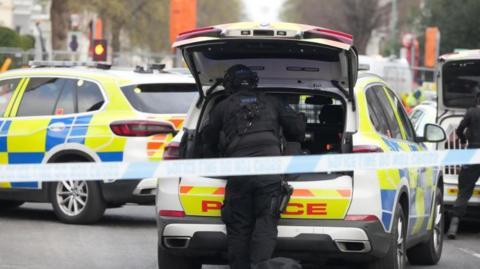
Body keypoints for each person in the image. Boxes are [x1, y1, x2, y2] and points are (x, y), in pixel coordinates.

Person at [201, 64, 305, 268]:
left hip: (239, 174)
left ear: (229, 84)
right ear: (254, 81)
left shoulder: (223, 106)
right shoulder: (272, 102)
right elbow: (297, 130)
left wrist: (212, 164)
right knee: (265, 223)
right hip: (269, 173)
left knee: (239, 226)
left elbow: (208, 139)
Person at [447, 92, 480, 239]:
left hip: (472, 153)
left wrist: (463, 139)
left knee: (464, 191)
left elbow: (459, 129)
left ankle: (454, 227)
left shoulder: (472, 112)